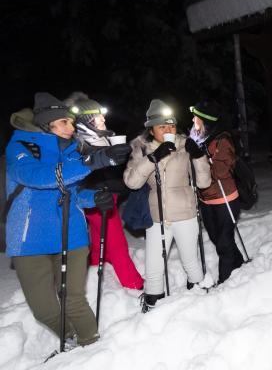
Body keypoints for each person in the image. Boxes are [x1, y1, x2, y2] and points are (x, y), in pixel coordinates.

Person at [5, 93, 127, 348]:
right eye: (64, 122)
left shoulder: (71, 150)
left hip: (71, 234)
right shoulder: (21, 147)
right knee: (43, 308)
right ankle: (71, 338)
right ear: (45, 124)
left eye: (71, 123)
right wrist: (90, 162)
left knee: (74, 299)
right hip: (30, 240)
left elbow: (72, 192)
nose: (71, 128)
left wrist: (95, 198)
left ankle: (92, 345)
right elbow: (38, 177)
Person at [123, 99, 212, 311]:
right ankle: (153, 301)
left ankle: (200, 295)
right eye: (162, 126)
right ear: (151, 130)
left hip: (185, 213)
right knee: (154, 264)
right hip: (156, 216)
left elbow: (204, 183)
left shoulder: (185, 145)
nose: (168, 130)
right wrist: (152, 159)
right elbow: (132, 182)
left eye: (171, 126)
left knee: (191, 260)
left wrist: (199, 155)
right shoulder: (141, 149)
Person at [65, 92, 144, 290]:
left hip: (110, 196)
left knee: (101, 240)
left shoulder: (105, 139)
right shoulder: (78, 146)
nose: (103, 119)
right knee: (117, 244)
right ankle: (135, 285)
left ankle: (97, 277)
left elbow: (111, 174)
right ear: (85, 121)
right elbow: (81, 176)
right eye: (97, 116)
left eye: (102, 115)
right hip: (95, 200)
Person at [186, 101, 244, 284]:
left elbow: (221, 172)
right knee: (216, 238)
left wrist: (200, 154)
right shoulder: (195, 138)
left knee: (224, 242)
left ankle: (225, 280)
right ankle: (238, 261)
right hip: (206, 200)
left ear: (205, 121)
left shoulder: (222, 139)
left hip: (225, 198)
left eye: (197, 118)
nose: (193, 120)